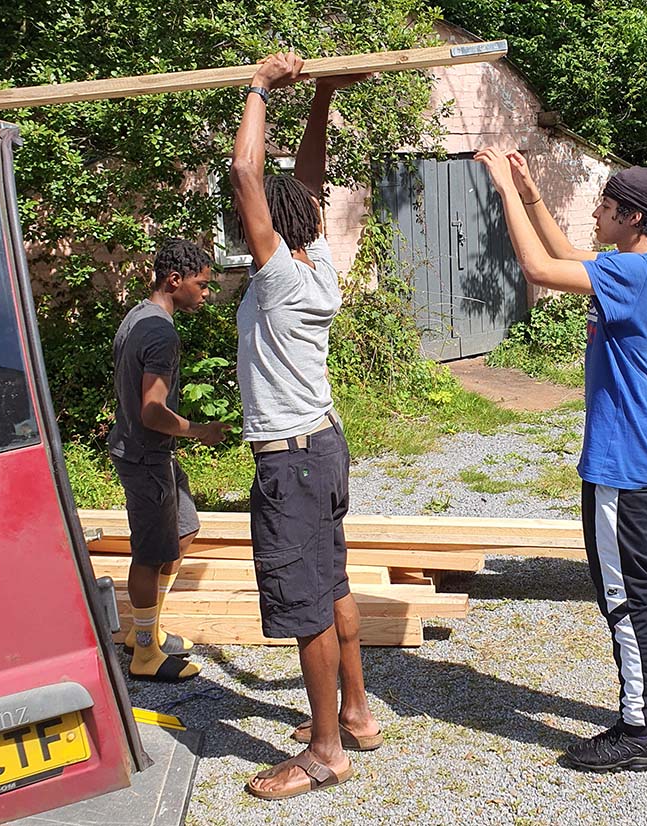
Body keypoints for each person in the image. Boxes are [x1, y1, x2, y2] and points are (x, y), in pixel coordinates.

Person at [474, 147, 647, 773]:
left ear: (635, 219)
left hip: (620, 459)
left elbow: (537, 269)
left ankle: (638, 729)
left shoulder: (630, 274)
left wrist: (502, 187)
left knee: (625, 593)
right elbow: (562, 255)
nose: (597, 214)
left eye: (607, 208)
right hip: (639, 445)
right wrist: (532, 190)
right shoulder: (643, 266)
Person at [230, 52, 380, 800]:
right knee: (335, 579)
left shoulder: (282, 273)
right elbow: (304, 184)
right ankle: (355, 711)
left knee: (305, 601)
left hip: (292, 460)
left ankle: (325, 752)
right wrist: (319, 95)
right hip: (323, 444)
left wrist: (259, 88)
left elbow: (249, 175)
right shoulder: (317, 263)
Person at [108, 240, 230, 682]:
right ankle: (143, 653)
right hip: (145, 456)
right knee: (148, 554)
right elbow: (153, 411)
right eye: (201, 284)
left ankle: (148, 628)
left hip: (146, 452)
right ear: (174, 280)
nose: (206, 292)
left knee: (184, 529)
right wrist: (201, 431)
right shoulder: (161, 333)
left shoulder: (138, 316)